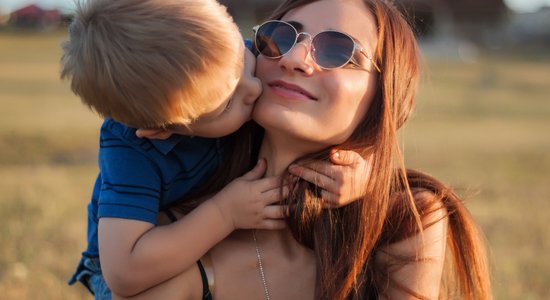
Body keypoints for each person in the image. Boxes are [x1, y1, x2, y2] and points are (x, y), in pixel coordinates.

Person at [113, 0, 492, 299]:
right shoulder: (172, 229)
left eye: (336, 50)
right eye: (280, 37)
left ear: (386, 96)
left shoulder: (403, 219)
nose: (293, 59)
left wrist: (372, 177)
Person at [61, 0, 369, 299]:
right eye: (228, 104)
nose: (256, 89)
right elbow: (124, 273)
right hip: (135, 259)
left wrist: (363, 174)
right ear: (162, 130)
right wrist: (225, 213)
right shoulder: (131, 148)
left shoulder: (222, 55)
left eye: (247, 65)